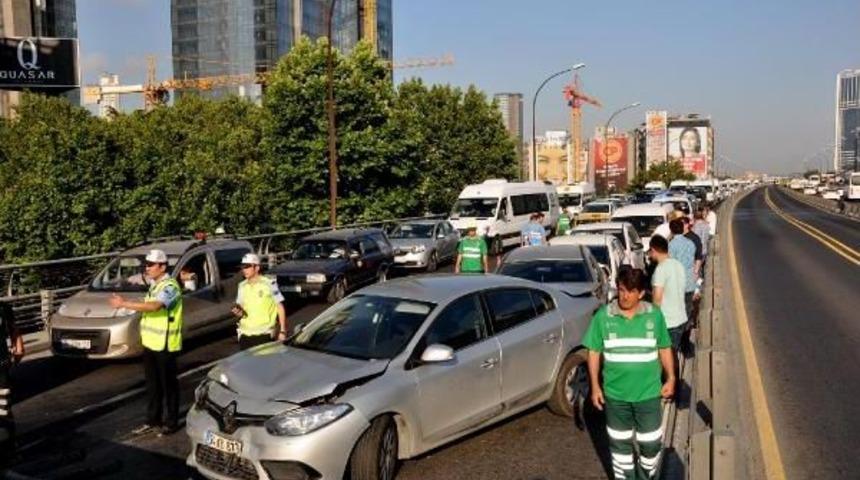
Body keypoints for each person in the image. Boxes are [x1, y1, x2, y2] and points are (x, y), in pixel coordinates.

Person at [583, 266, 675, 480]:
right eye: (622, 290)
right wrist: (595, 386)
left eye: (631, 291)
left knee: (651, 445)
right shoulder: (603, 316)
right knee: (620, 448)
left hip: (649, 395)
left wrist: (671, 377)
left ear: (641, 293)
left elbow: (664, 347)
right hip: (616, 397)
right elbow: (593, 351)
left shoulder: (654, 315)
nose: (624, 296)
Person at [109, 249, 182, 436]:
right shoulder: (155, 285)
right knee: (153, 386)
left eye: (150, 265)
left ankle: (171, 422)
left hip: (165, 344)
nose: (147, 268)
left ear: (162, 267)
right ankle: (153, 420)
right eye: (146, 265)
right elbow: (147, 303)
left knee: (168, 386)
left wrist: (124, 304)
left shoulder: (170, 286)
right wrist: (129, 302)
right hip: (151, 343)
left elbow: (155, 306)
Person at [232, 253, 289, 350]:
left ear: (257, 268)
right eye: (242, 267)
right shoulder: (242, 285)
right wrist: (238, 312)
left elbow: (279, 307)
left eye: (247, 267)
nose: (244, 270)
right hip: (245, 334)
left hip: (264, 334)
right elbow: (241, 308)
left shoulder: (269, 283)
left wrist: (283, 331)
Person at [648, 235, 688, 351]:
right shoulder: (678, 265)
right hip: (681, 318)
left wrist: (652, 319)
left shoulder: (660, 269)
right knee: (674, 355)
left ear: (653, 250)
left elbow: (657, 299)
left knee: (666, 357)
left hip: (668, 322)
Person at [0, 300, 24, 465]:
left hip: (0, 367)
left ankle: (10, 450)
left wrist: (19, 348)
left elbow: (13, 329)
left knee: (3, 411)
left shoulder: (3, 308)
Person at [668, 219, 697, 321]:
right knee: (688, 306)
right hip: (689, 280)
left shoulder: (671, 245)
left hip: (677, 282)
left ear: (671, 230)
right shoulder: (690, 243)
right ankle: (687, 326)